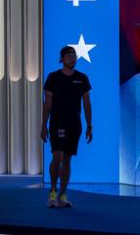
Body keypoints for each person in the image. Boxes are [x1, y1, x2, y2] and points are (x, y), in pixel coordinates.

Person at [41, 45, 92, 208]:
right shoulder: (53, 77)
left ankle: (63, 195)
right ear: (61, 59)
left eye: (74, 55)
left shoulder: (82, 78)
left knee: (67, 159)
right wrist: (43, 125)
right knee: (57, 157)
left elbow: (86, 103)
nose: (72, 58)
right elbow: (47, 103)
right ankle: (52, 193)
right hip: (57, 123)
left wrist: (89, 125)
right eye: (69, 56)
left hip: (74, 125)